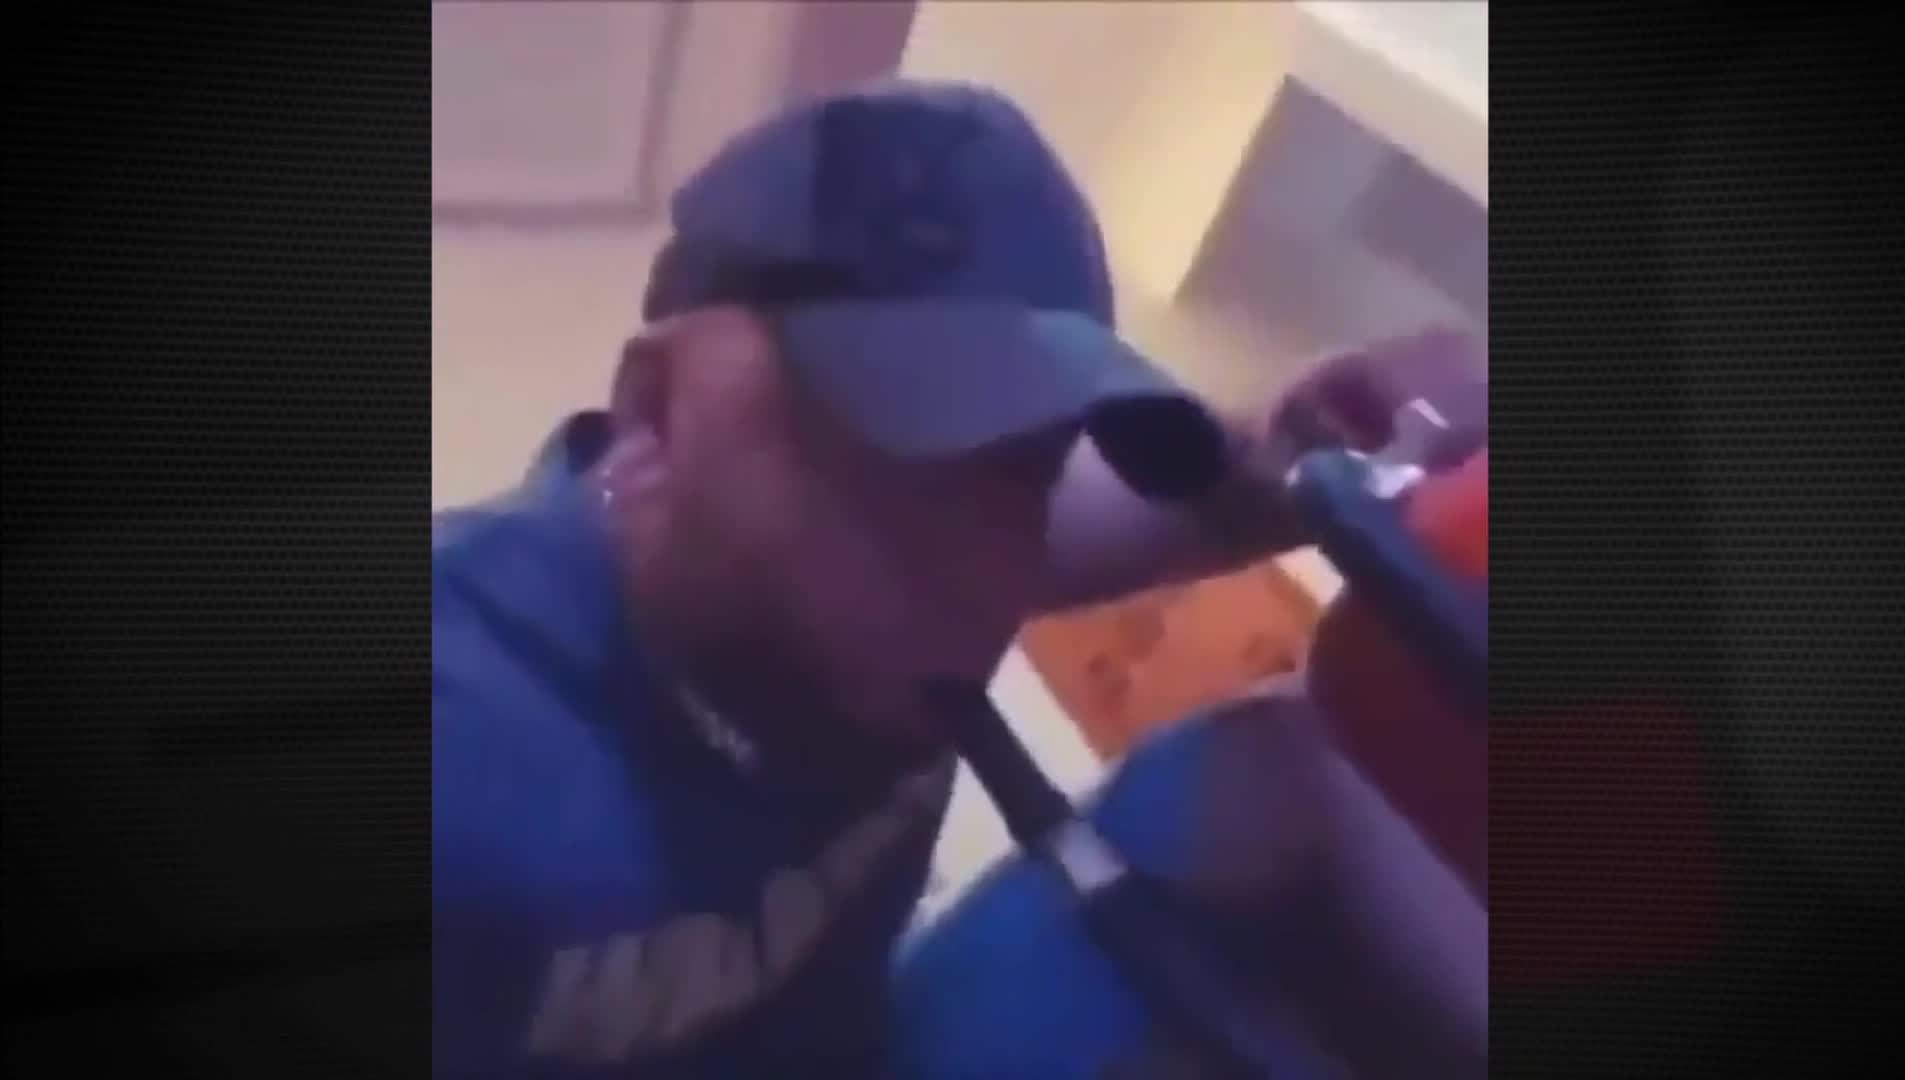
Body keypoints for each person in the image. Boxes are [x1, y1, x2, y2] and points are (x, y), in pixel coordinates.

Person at [432, 79, 1483, 1078]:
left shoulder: (913, 569)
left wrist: (1321, 438)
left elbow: (1208, 495)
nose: (982, 577)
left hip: (872, 1054)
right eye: (898, 448)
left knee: (1268, 762)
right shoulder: (464, 741)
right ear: (656, 412)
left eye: (1024, 466)